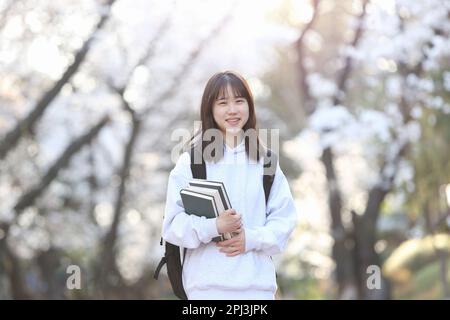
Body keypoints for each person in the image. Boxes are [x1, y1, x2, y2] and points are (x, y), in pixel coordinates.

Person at [162, 70, 297, 300]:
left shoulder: (266, 163)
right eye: (223, 102)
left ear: (249, 106)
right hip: (206, 292)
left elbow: (284, 221)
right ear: (210, 109)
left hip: (257, 292)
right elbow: (173, 226)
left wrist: (250, 239)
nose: (232, 110)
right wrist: (215, 226)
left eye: (239, 101)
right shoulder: (193, 163)